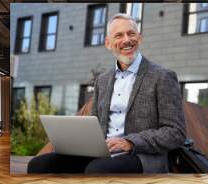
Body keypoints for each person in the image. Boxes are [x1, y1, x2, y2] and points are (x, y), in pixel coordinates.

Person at [27, 13, 186, 174]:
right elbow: (94, 124)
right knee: (38, 165)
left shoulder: (163, 76)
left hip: (141, 155)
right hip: (102, 152)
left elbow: (175, 132)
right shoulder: (102, 81)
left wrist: (130, 142)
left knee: (97, 170)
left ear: (140, 38)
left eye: (131, 33)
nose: (126, 40)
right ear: (108, 43)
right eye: (119, 35)